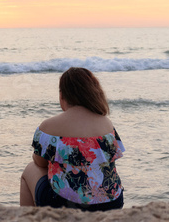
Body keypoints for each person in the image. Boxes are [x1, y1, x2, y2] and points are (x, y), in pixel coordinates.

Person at [20, 67, 125, 211]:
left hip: (64, 203)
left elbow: (40, 163)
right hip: (112, 202)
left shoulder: (49, 126)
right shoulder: (106, 123)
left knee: (29, 170)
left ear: (62, 95)